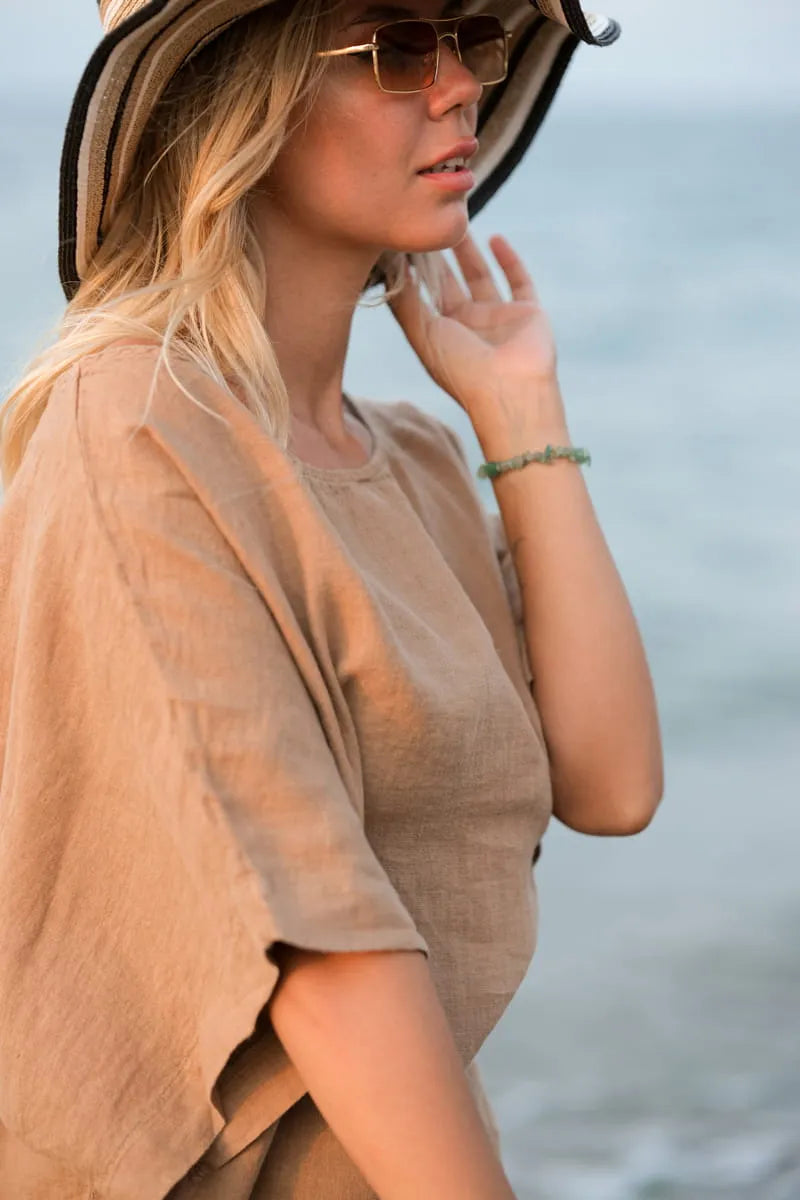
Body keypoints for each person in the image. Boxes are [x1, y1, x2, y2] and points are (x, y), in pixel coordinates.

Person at [0, 0, 662, 1195]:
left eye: (472, 37)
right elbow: (319, 938)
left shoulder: (410, 460)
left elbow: (611, 787)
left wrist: (520, 415)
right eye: (398, 48)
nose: (458, 86)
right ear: (237, 101)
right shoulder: (137, 422)